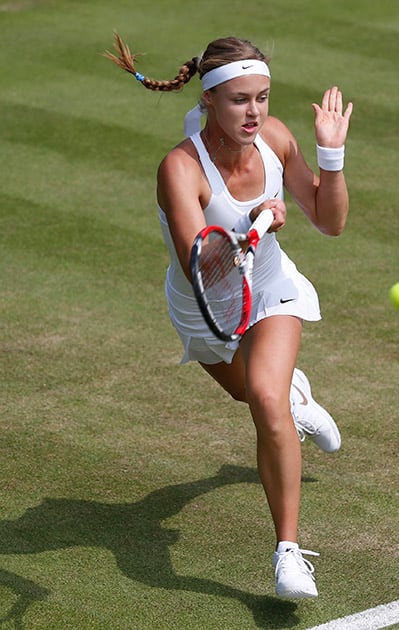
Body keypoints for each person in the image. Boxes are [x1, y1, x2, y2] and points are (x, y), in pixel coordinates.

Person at [104, 33, 352, 599]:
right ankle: (298, 400)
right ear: (209, 100)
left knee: (264, 401)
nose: (254, 111)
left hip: (269, 290)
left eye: (262, 97)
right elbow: (205, 266)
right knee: (255, 395)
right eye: (240, 99)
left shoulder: (276, 138)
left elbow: (331, 223)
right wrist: (255, 225)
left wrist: (330, 157)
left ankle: (288, 552)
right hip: (201, 306)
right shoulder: (180, 169)